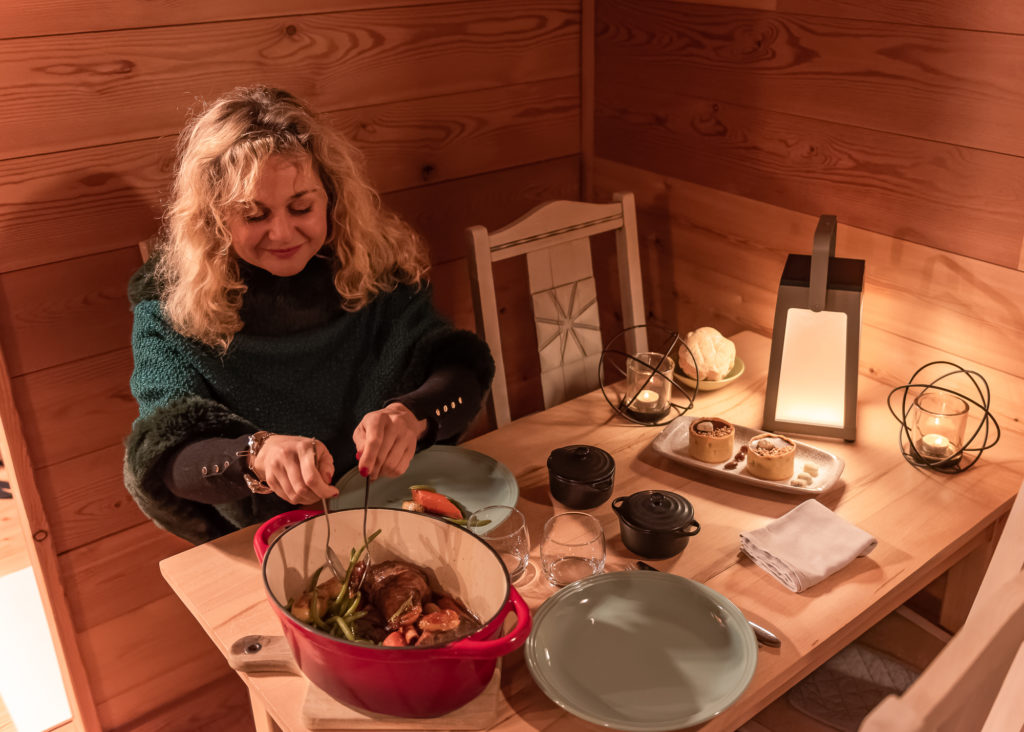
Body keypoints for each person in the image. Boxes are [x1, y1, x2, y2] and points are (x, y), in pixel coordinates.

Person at [124, 86, 494, 544]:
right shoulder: (169, 303)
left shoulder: (375, 264)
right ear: (214, 218)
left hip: (389, 504)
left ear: (331, 197)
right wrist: (254, 456)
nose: (282, 232)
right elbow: (166, 453)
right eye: (253, 214)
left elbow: (460, 372)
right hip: (266, 533)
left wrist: (411, 414)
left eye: (301, 207)